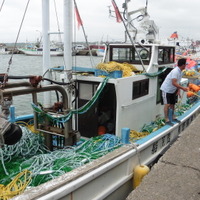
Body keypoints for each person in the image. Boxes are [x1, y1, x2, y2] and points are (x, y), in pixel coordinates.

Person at [160, 58, 188, 126]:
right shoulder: (175, 71)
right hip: (166, 89)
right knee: (167, 104)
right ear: (183, 65)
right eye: (185, 64)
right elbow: (174, 83)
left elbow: (178, 82)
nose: (186, 66)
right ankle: (167, 119)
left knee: (173, 104)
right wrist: (183, 88)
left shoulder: (180, 72)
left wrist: (178, 90)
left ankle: (173, 117)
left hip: (172, 90)